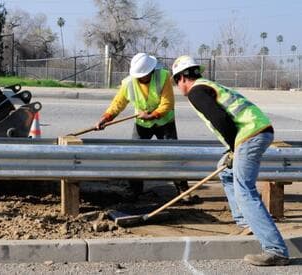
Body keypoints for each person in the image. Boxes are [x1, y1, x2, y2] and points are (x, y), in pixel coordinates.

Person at [171, 55, 289, 266]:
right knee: (225, 170)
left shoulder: (196, 91)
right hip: (257, 129)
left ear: (181, 78)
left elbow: (220, 119)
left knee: (244, 189)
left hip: (248, 135)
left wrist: (234, 147)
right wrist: (231, 150)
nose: (178, 87)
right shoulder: (208, 85)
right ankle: (246, 221)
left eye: (176, 82)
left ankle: (275, 249)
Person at [95, 53, 194, 201]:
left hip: (164, 122)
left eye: (144, 75)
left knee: (173, 155)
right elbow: (118, 103)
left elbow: (167, 103)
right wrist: (106, 117)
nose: (141, 78)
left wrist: (153, 115)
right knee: (134, 156)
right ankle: (135, 190)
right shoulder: (128, 83)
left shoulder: (163, 77)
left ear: (151, 71)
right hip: (142, 124)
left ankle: (183, 191)